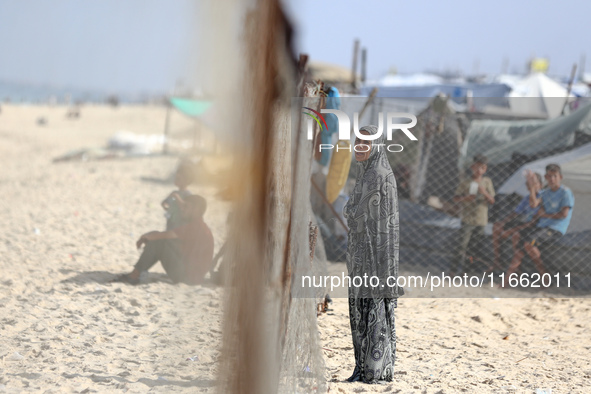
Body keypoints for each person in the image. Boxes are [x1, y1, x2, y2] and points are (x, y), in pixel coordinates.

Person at [343, 125, 402, 384]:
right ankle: (370, 368)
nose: (359, 147)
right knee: (366, 310)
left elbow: (359, 214)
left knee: (369, 310)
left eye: (365, 144)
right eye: (357, 142)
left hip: (372, 258)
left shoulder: (375, 175)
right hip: (369, 257)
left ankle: (372, 370)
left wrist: (351, 211)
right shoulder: (370, 173)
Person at [114, 195, 214, 285]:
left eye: (186, 207)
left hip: (188, 278)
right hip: (194, 276)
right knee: (161, 240)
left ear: (197, 210)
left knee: (159, 243)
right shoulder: (200, 227)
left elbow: (163, 236)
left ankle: (134, 275)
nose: (182, 209)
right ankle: (137, 272)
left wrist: (145, 237)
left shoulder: (195, 227)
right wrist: (151, 236)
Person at [504, 164, 575, 285]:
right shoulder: (545, 192)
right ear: (546, 177)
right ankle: (508, 279)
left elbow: (564, 214)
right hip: (541, 227)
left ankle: (544, 274)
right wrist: (532, 187)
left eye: (555, 176)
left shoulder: (565, 192)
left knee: (529, 244)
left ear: (560, 177)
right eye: (550, 176)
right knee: (517, 236)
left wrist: (545, 215)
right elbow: (534, 205)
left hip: (554, 228)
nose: (552, 179)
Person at [450, 155, 495, 275]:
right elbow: (455, 198)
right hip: (467, 218)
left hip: (481, 220)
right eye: (477, 167)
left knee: (474, 248)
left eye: (482, 168)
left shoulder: (487, 182)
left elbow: (492, 200)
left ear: (485, 169)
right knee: (461, 246)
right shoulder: (466, 182)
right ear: (472, 167)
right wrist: (466, 198)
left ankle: (466, 271)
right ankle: (453, 271)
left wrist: (484, 192)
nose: (479, 170)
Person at [490, 172, 543, 272]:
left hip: (535, 225)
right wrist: (504, 222)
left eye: (533, 183)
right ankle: (497, 260)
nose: (529, 185)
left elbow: (534, 220)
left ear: (540, 185)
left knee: (515, 234)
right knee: (496, 226)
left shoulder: (543, 196)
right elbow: (515, 213)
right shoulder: (527, 198)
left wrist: (511, 230)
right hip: (525, 223)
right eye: (528, 183)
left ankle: (517, 268)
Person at [162, 160, 195, 231]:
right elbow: (165, 202)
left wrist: (177, 197)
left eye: (178, 179)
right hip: (171, 221)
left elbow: (186, 207)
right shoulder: (174, 192)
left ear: (186, 180)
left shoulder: (188, 194)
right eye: (175, 178)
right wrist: (165, 204)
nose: (175, 180)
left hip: (181, 224)